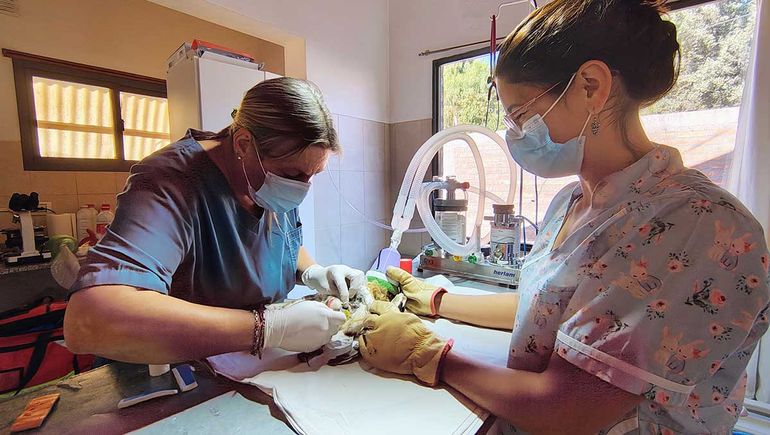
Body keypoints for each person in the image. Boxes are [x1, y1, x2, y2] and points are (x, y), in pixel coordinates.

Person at [357, 1, 770, 433]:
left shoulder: (698, 225)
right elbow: (548, 308)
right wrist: (436, 300)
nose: (515, 134)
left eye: (521, 114)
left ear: (591, 86)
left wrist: (427, 356)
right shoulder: (572, 203)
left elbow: (568, 410)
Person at [64, 78, 366, 363]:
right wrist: (267, 328)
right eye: (292, 175)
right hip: (174, 376)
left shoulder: (267, 183)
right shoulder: (171, 183)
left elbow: (278, 242)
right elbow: (91, 320)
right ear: (244, 144)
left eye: (312, 175)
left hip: (251, 365)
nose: (301, 187)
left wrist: (314, 272)